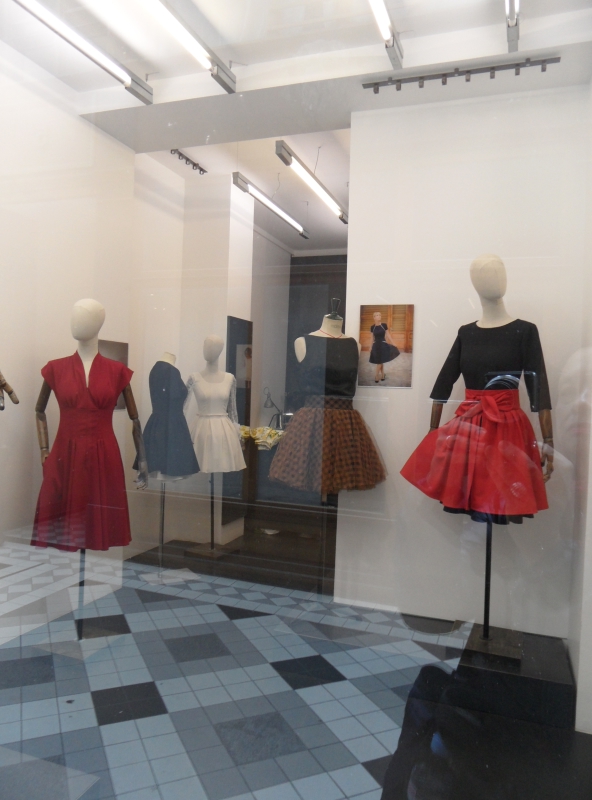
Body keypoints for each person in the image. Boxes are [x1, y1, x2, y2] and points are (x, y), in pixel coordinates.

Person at [370, 311, 400, 382]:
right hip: (376, 345)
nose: (379, 316)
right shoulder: (372, 327)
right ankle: (383, 375)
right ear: (374, 317)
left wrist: (393, 343)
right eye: (377, 315)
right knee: (380, 361)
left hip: (383, 344)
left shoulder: (384, 325)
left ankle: (376, 376)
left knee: (379, 361)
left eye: (380, 315)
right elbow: (372, 338)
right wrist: (370, 347)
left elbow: (388, 335)